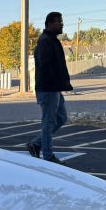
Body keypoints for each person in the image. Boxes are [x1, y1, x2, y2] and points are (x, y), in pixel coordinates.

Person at [27, 12, 72, 164]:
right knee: (48, 122)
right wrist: (56, 82)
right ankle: (48, 155)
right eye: (59, 22)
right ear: (49, 23)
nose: (62, 24)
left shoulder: (52, 40)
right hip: (48, 89)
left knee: (61, 117)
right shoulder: (45, 41)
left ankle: (36, 144)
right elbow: (45, 66)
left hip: (55, 88)